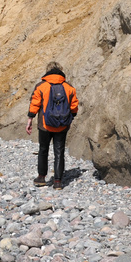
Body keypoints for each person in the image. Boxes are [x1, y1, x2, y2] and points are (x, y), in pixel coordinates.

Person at [26, 61, 79, 189]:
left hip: (45, 124)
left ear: (47, 71)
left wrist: (30, 119)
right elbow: (74, 106)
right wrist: (70, 117)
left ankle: (41, 178)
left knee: (43, 149)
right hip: (62, 125)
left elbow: (35, 103)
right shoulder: (69, 87)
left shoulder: (41, 86)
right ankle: (57, 181)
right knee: (59, 151)